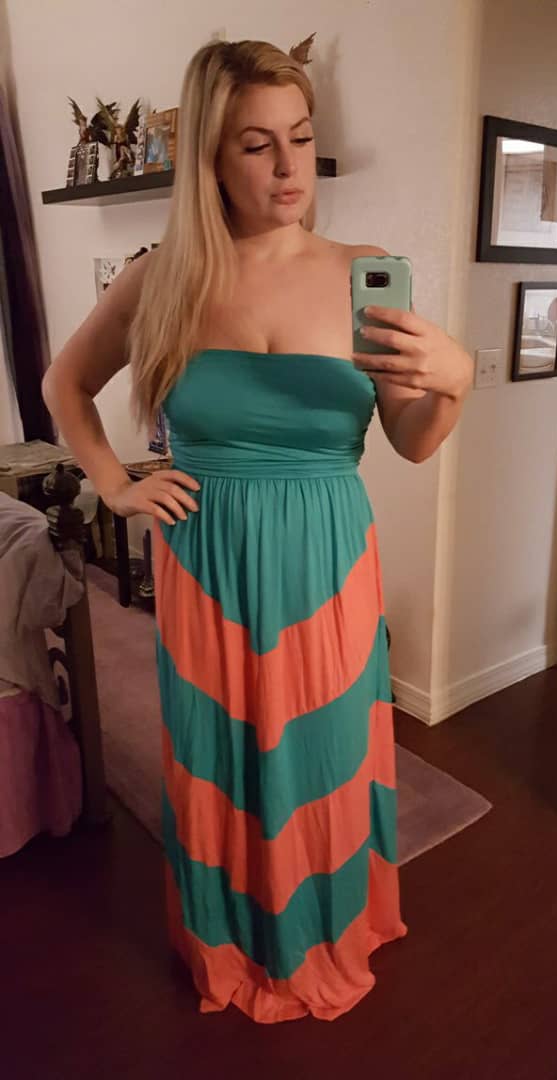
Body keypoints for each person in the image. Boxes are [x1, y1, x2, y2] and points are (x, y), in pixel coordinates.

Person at [42, 38, 473, 1024]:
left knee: (323, 750)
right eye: (254, 144)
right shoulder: (160, 279)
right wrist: (112, 485)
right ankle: (233, 941)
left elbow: (411, 441)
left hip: (327, 552)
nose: (287, 168)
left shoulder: (366, 275)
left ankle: (323, 929)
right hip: (204, 555)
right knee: (219, 757)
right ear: (209, 156)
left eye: (301, 138)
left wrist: (453, 382)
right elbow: (66, 382)